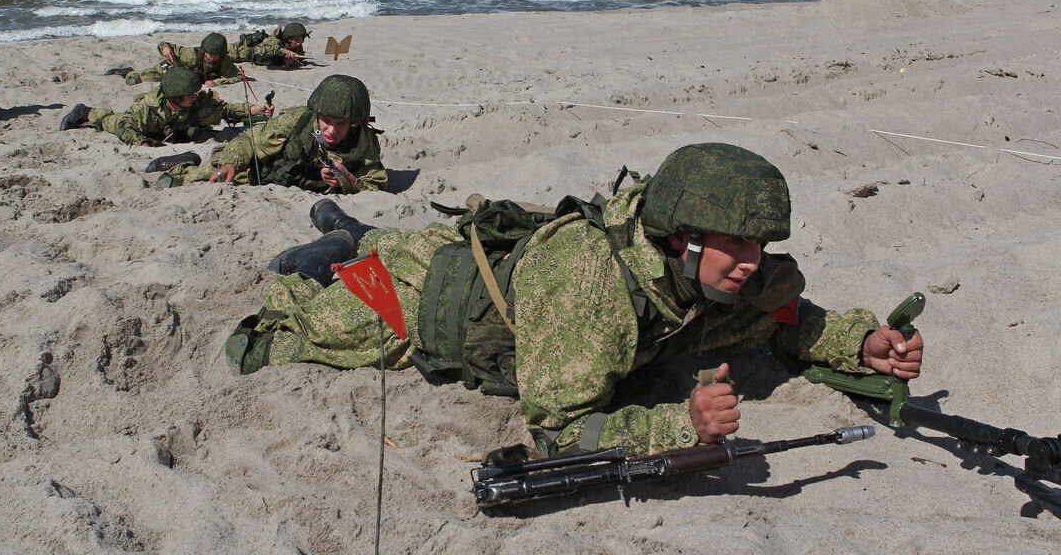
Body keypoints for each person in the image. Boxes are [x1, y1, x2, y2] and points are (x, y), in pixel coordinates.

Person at [225, 143, 924, 458]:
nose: (753, 263)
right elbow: (557, 430)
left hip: (492, 267)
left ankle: (355, 233)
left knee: (402, 242)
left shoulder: (708, 272)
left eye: (761, 247)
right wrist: (681, 426)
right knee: (274, 335)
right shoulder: (597, 295)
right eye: (738, 245)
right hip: (415, 305)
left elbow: (783, 318)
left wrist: (859, 344)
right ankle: (327, 255)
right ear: (681, 238)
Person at [158, 73, 386, 191]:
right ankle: (183, 163)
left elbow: (375, 183)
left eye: (341, 124)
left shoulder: (363, 142)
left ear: (355, 122)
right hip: (264, 171)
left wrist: (347, 180)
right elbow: (249, 140)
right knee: (210, 175)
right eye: (326, 121)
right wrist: (230, 163)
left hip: (301, 184)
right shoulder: (297, 121)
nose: (332, 130)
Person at [58, 66, 272, 146]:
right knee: (110, 121)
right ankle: (84, 112)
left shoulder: (194, 104)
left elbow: (226, 111)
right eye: (189, 95)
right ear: (174, 97)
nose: (194, 97)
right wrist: (142, 143)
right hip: (150, 129)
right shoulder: (145, 109)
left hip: (174, 131)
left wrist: (257, 109)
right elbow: (125, 127)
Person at [113, 32, 243, 87]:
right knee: (134, 81)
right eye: (208, 53)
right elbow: (165, 45)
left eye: (215, 54)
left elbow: (239, 76)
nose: (211, 57)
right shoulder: (191, 54)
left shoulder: (224, 62)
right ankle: (128, 72)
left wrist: (218, 82)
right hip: (171, 69)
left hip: (189, 80)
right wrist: (165, 49)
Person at [228, 22, 309, 68]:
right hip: (239, 51)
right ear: (289, 39)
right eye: (297, 40)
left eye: (301, 40)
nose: (299, 43)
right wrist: (284, 51)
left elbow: (299, 59)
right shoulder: (274, 41)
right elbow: (263, 50)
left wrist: (291, 62)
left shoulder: (297, 46)